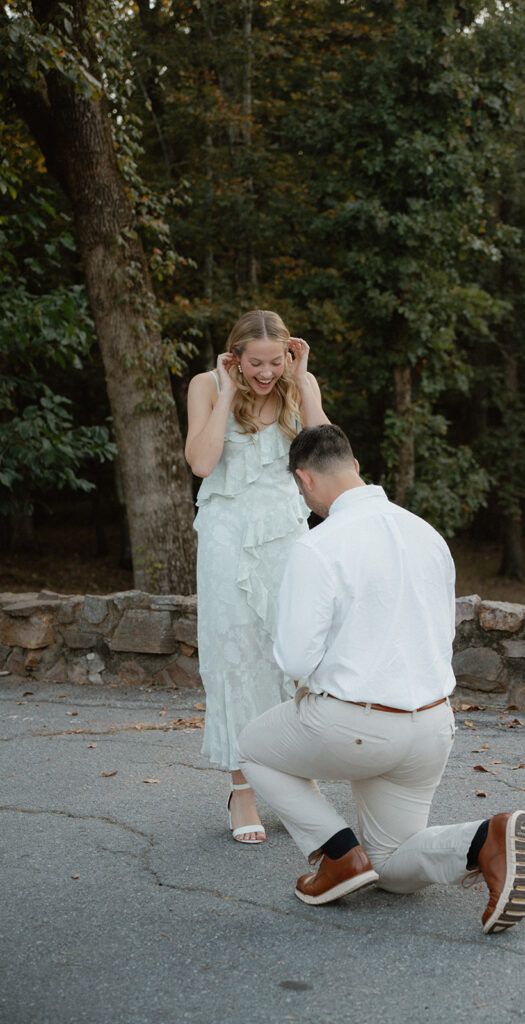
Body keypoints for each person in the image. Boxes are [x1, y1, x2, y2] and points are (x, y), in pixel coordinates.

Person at [237, 424, 525, 933]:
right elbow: (441, 633)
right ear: (354, 466)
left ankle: (336, 854)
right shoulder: (428, 534)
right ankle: (485, 837)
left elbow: (293, 659)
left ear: (303, 480)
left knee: (251, 748)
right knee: (396, 869)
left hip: (354, 726)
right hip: (431, 727)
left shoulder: (318, 545)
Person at [185, 310, 329, 844]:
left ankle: (296, 783)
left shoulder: (296, 385)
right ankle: (241, 786)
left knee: (293, 653)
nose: (265, 373)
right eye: (255, 364)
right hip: (226, 534)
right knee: (236, 654)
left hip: (285, 535)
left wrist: (303, 380)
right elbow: (202, 462)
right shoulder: (207, 384)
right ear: (235, 357)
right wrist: (225, 392)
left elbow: (327, 454)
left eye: (276, 362)